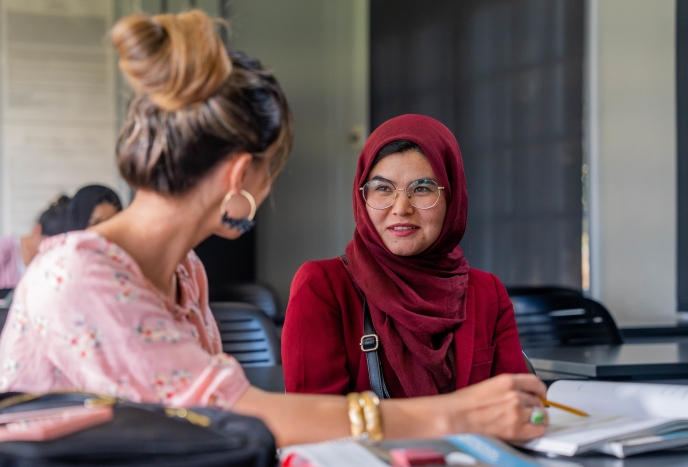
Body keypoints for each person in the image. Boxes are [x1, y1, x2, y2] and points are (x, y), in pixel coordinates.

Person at [0, 10, 547, 447]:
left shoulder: (185, 271)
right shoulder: (77, 276)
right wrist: (452, 412)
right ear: (241, 174)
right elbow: (234, 415)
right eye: (271, 173)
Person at [282, 115, 527, 398]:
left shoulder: (487, 294)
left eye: (421, 188)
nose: (401, 208)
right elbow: (314, 426)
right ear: (362, 197)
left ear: (453, 197)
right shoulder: (324, 286)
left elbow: (517, 408)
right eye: (383, 189)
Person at [0, 195, 70, 289]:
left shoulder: (54, 264)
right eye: (50, 246)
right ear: (37, 230)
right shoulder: (4, 249)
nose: (51, 251)